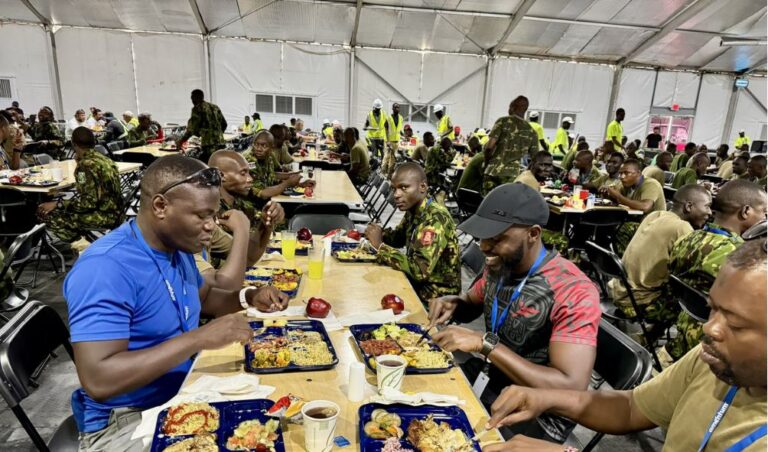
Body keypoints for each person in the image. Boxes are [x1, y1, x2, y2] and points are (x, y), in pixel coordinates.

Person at [65, 155, 291, 450]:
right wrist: (197, 339)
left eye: (214, 215)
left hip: (178, 395)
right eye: (201, 215)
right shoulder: (105, 268)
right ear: (160, 206)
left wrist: (248, 296)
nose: (211, 226)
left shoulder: (177, 248)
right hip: (123, 423)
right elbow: (99, 379)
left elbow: (205, 299)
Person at [484, 235, 767, 452]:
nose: (709, 328)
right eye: (712, 309)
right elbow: (632, 408)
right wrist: (546, 398)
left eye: (736, 323)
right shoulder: (714, 359)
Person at [428, 183, 601, 443]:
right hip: (492, 379)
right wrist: (454, 303)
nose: (484, 247)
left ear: (533, 233)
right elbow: (473, 302)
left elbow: (570, 386)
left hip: (536, 411)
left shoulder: (574, 292)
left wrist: (484, 344)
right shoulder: (501, 263)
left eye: (496, 238)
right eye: (482, 237)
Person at [667, 180, 767, 361]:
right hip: (716, 344)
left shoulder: (689, 238)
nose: (764, 219)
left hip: (683, 329)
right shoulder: (738, 256)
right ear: (745, 212)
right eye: (764, 213)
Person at [609, 185, 711, 325]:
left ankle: (648, 336)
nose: (710, 212)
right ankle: (653, 340)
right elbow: (691, 269)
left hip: (620, 291)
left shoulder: (655, 214)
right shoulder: (681, 227)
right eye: (707, 206)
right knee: (698, 307)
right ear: (689, 206)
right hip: (639, 303)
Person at [364, 162, 460, 304]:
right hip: (417, 284)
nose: (396, 194)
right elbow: (398, 239)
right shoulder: (414, 210)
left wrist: (380, 246)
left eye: (404, 188)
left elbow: (419, 271)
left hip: (435, 297)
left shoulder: (435, 219)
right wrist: (377, 233)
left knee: (372, 295)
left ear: (422, 187)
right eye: (394, 189)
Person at [196, 150, 285, 289]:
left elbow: (248, 256)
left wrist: (266, 224)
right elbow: (221, 284)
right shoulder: (196, 225)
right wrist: (241, 229)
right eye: (243, 173)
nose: (249, 179)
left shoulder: (232, 207)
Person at [37, 127, 122, 246]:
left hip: (102, 217)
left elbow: (87, 203)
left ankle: (77, 244)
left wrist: (58, 204)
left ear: (74, 144)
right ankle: (83, 240)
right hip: (117, 214)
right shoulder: (105, 160)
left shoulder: (84, 167)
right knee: (63, 210)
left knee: (45, 213)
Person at [600, 158, 667, 252]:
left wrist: (618, 196)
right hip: (636, 220)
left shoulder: (651, 184)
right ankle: (603, 255)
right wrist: (609, 195)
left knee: (620, 228)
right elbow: (619, 200)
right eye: (620, 173)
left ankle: (623, 260)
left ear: (638, 173)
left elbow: (645, 207)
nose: (622, 176)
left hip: (652, 225)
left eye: (626, 173)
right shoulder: (627, 185)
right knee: (603, 223)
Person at [483, 96, 538, 195]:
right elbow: (535, 159)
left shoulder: (502, 121)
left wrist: (487, 163)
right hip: (513, 175)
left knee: (487, 204)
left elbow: (489, 147)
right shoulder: (532, 131)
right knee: (505, 206)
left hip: (492, 171)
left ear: (513, 107)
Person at [243, 130, 309, 206]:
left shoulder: (269, 155)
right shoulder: (249, 161)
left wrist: (296, 179)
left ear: (271, 148)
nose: (259, 149)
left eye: (264, 146)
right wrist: (288, 183)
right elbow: (263, 193)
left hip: (266, 198)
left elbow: (271, 175)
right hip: (251, 204)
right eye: (256, 144)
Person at [176, 89, 227, 162]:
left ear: (195, 98)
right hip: (221, 144)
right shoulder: (215, 107)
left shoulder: (197, 109)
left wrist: (181, 141)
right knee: (221, 165)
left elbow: (191, 129)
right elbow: (224, 124)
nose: (192, 101)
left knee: (209, 167)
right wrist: (218, 135)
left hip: (209, 146)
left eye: (192, 98)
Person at [382, 103, 404, 178]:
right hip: (389, 141)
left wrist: (403, 136)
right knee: (386, 157)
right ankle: (382, 172)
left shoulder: (401, 118)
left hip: (396, 142)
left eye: (398, 107)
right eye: (395, 107)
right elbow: (386, 129)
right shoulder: (388, 118)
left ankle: (389, 174)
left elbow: (399, 129)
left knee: (393, 159)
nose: (397, 109)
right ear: (392, 108)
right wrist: (387, 141)